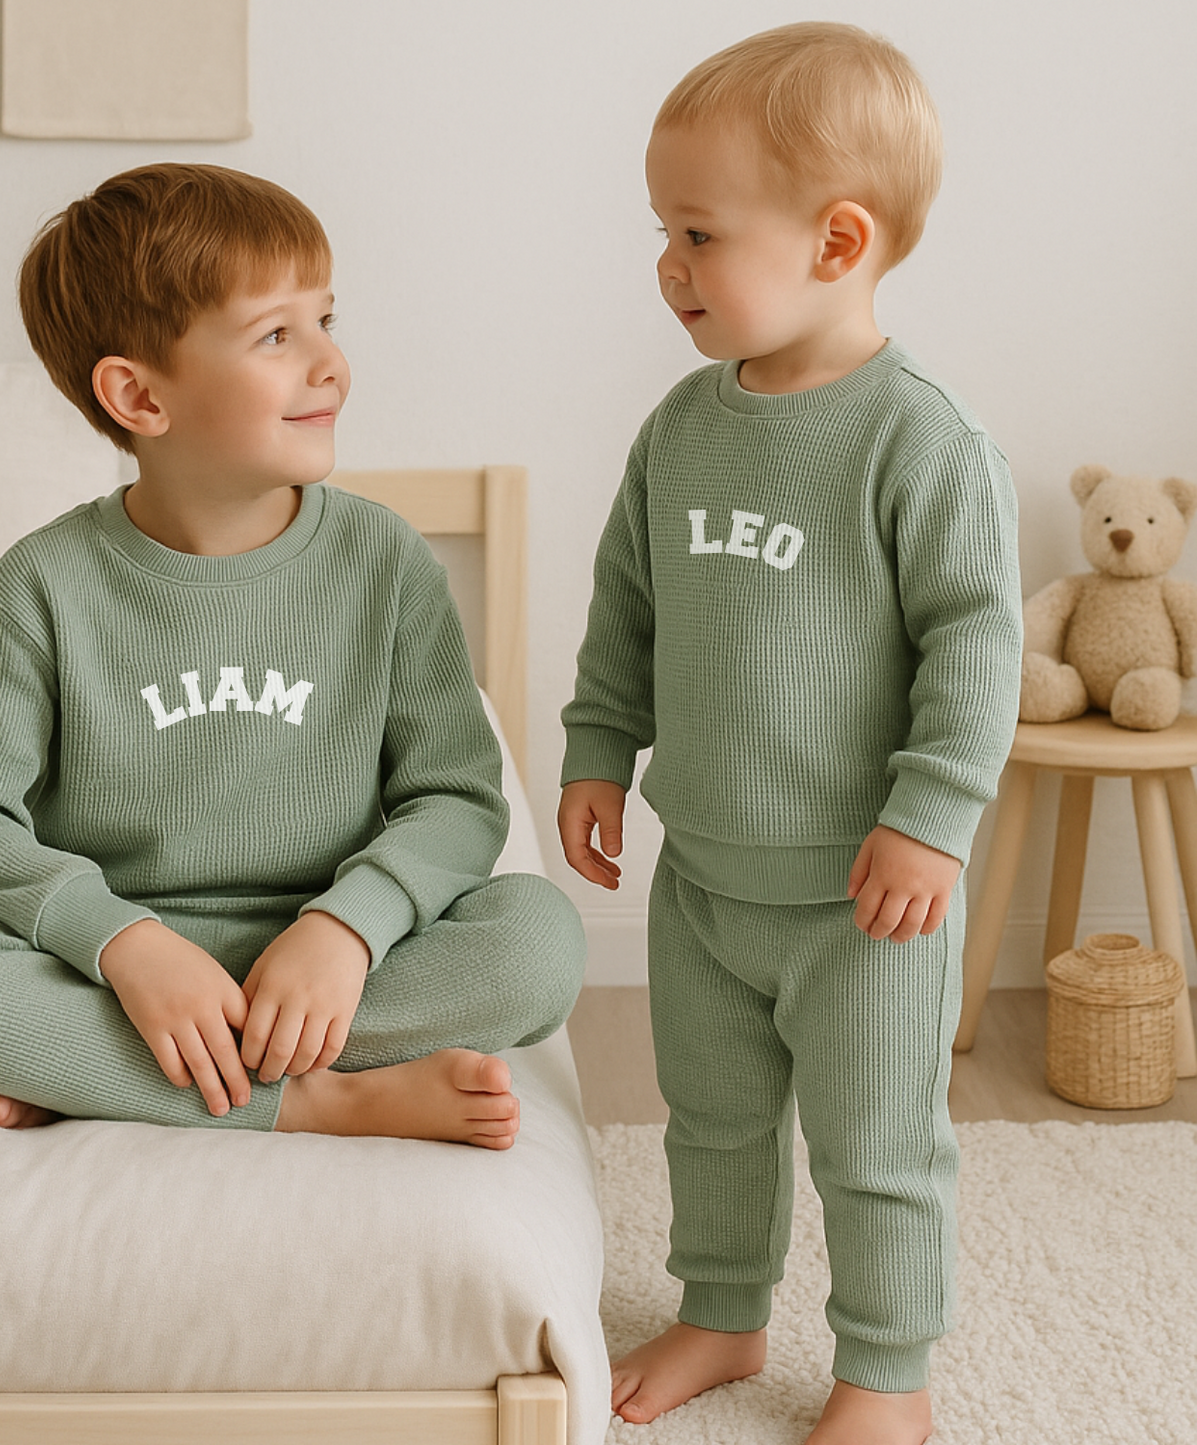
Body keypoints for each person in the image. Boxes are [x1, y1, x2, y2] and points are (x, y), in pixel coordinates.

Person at [0, 162, 583, 1149]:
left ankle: (95, 1067)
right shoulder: (41, 585)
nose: (331, 363)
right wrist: (121, 943)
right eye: (276, 334)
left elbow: (457, 797)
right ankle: (319, 1097)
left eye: (327, 319)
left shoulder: (383, 560)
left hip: (335, 951)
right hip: (115, 961)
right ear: (140, 396)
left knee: (535, 939)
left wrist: (347, 926)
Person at [557, 23, 1021, 1445]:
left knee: (879, 1148)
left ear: (835, 242)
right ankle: (722, 1307)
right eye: (663, 230)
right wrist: (595, 746)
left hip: (866, 894)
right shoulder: (681, 430)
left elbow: (974, 640)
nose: (668, 264)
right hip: (706, 875)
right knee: (713, 1117)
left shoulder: (918, 440)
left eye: (698, 231)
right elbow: (626, 604)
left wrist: (933, 812)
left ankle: (888, 1370)